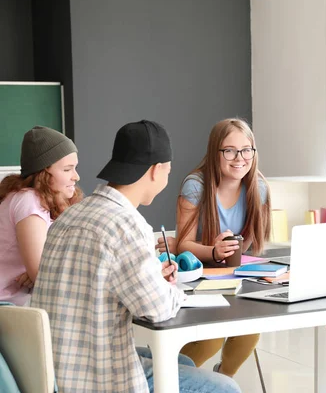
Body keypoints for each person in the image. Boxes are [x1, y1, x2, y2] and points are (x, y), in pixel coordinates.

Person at [31, 120, 240, 393]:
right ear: (156, 171)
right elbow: (157, 309)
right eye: (168, 170)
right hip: (96, 378)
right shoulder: (128, 224)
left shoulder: (70, 215)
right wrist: (169, 287)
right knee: (226, 388)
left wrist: (153, 277)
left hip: (51, 370)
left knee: (184, 360)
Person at [157, 118, 271, 377]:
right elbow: (184, 243)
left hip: (234, 277)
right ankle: (172, 381)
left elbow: (251, 246)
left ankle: (222, 380)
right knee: (211, 338)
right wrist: (213, 251)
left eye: (246, 150)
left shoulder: (259, 188)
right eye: (229, 150)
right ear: (215, 152)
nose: (239, 158)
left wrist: (230, 251)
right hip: (198, 276)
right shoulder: (196, 186)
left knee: (249, 332)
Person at [0, 126, 82, 306]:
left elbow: (44, 270)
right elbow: (43, 275)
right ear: (43, 173)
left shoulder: (44, 200)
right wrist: (38, 272)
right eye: (67, 169)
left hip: (18, 305)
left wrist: (37, 273)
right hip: (6, 308)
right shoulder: (29, 201)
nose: (76, 177)